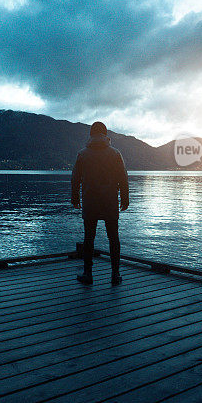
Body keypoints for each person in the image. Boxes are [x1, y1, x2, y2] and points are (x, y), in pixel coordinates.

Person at [71, 121, 129, 285]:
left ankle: (88, 274)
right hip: (110, 201)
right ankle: (115, 275)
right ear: (105, 134)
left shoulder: (83, 154)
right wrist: (125, 199)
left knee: (89, 238)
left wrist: (75, 199)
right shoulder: (115, 154)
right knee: (113, 238)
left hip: (90, 201)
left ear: (91, 135)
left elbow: (75, 179)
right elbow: (123, 178)